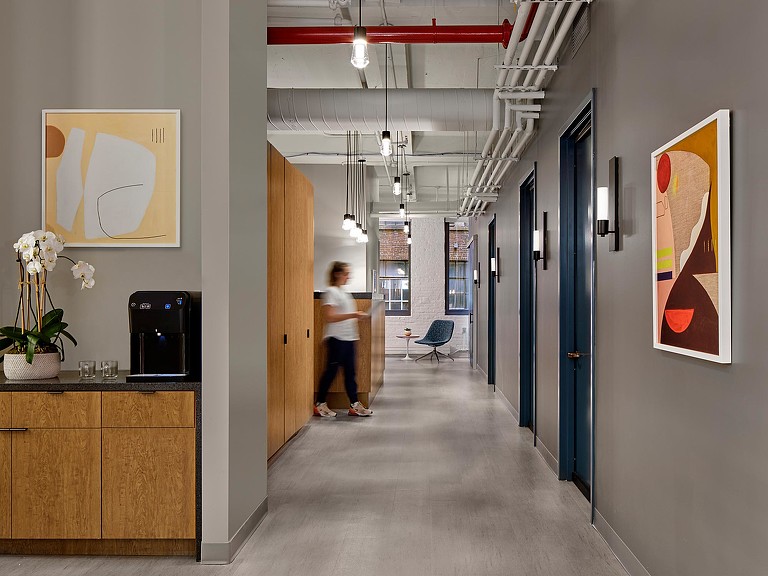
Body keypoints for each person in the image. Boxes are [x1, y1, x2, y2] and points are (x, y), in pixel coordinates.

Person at [314, 261, 374, 418]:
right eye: (346, 273)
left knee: (350, 374)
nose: (349, 276)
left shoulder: (345, 293)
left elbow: (345, 316)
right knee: (331, 373)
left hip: (349, 339)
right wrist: (354, 315)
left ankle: (354, 405)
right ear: (337, 274)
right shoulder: (330, 292)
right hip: (336, 339)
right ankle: (319, 404)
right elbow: (330, 317)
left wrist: (359, 317)